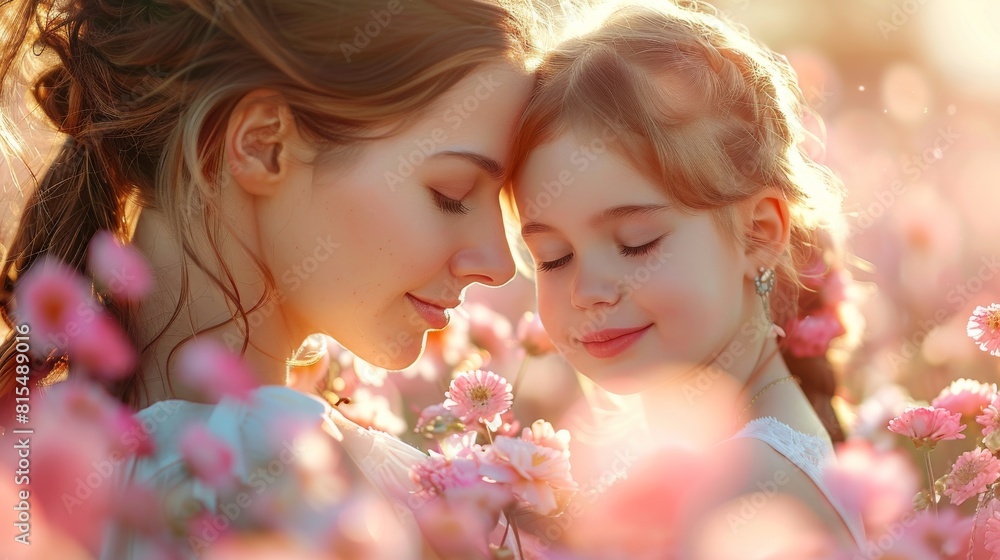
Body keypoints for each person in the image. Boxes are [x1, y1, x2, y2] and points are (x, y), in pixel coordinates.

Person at [0, 0, 540, 556]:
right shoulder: (296, 487)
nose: (500, 263)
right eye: (450, 193)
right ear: (264, 144)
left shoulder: (29, 485)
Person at [508, 0, 866, 553]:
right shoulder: (719, 456)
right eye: (553, 257)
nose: (588, 291)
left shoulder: (743, 490)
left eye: (637, 244)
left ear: (759, 234)